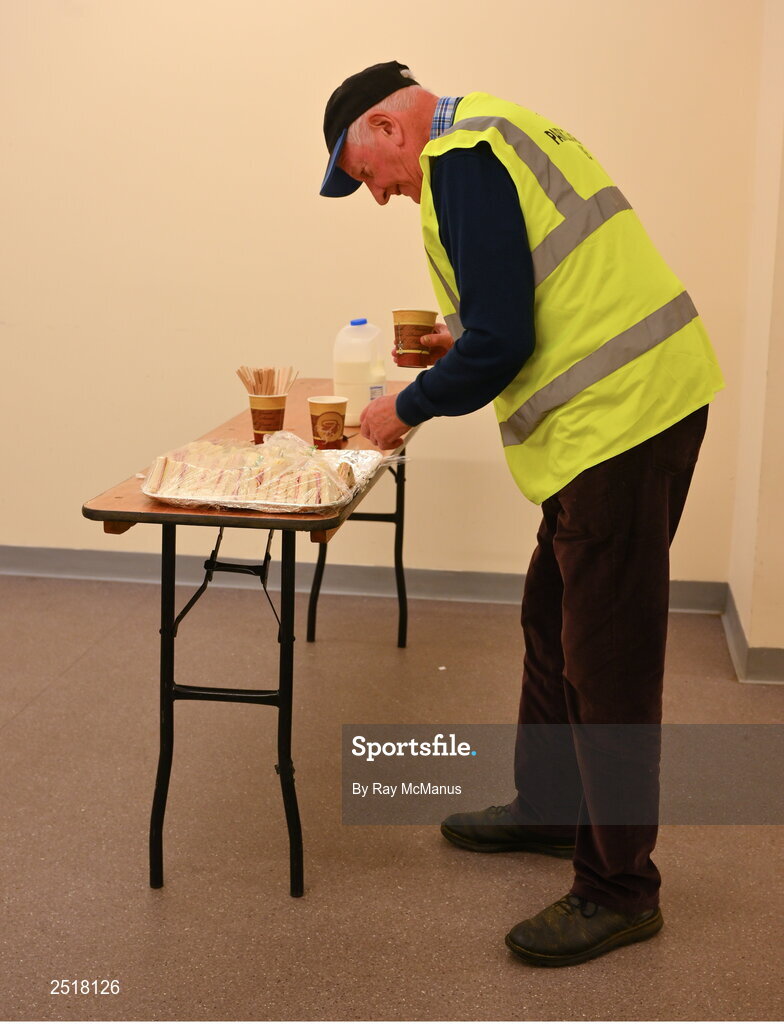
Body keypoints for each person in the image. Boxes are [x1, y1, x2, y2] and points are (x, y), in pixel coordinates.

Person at [319, 60, 724, 967]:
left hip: (624, 420)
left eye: (366, 173)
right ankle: (548, 806)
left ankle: (620, 889)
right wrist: (457, 338)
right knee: (552, 617)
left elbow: (508, 341)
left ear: (389, 125)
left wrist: (407, 404)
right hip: (627, 410)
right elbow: (523, 299)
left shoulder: (461, 155)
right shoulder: (494, 128)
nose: (378, 195)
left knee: (607, 660)